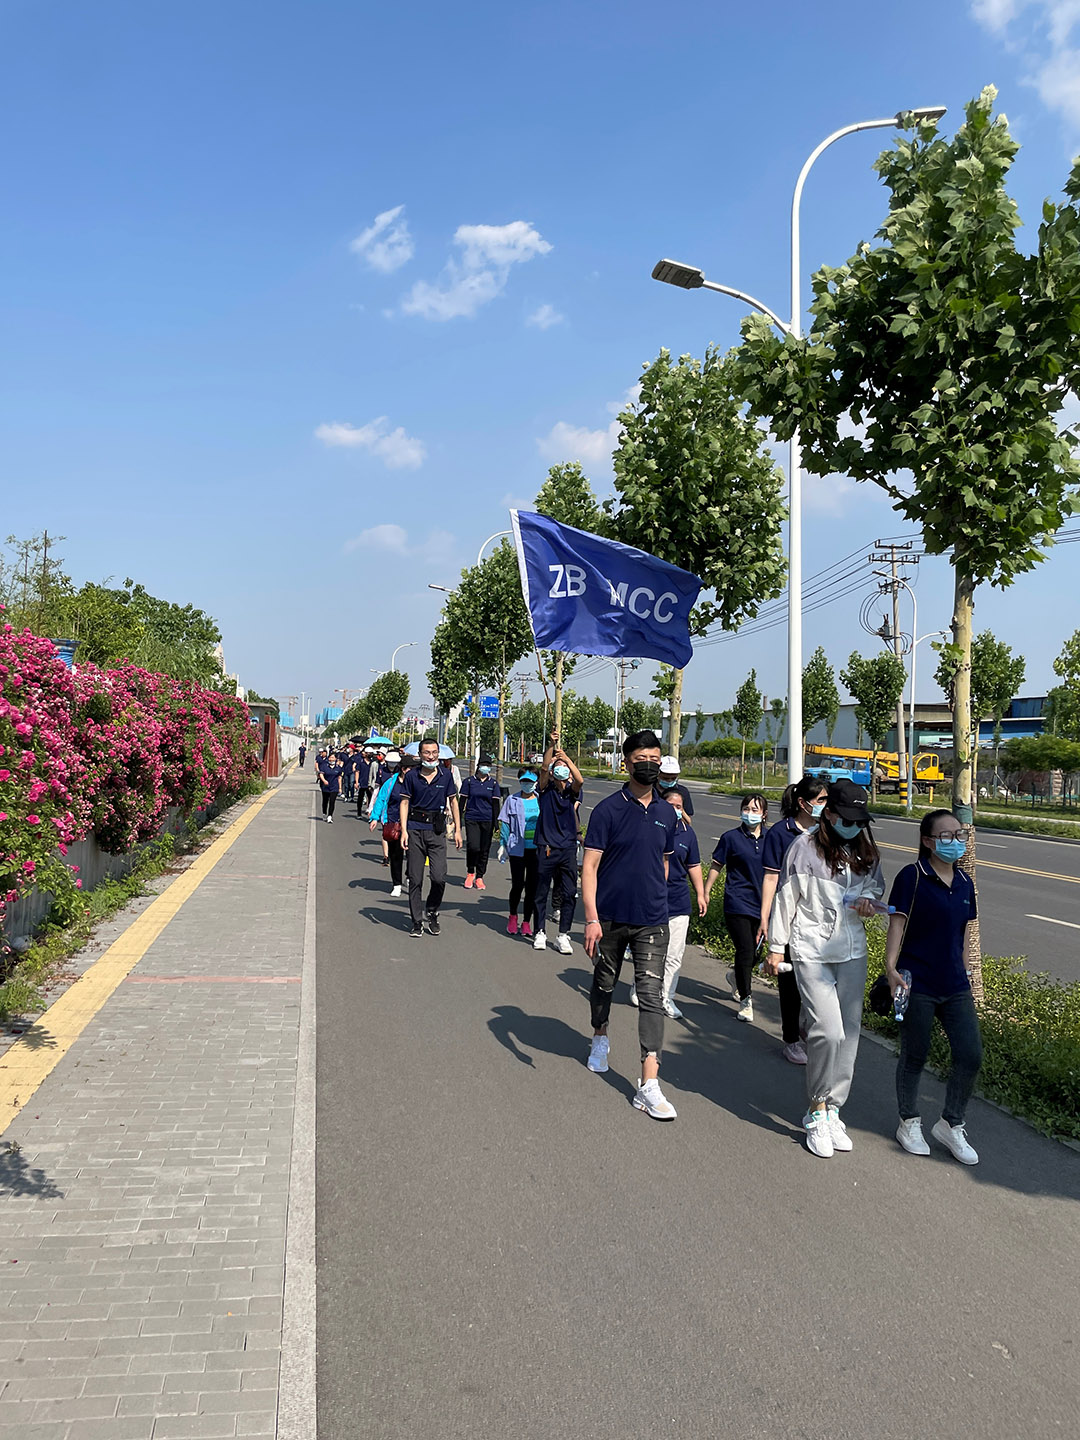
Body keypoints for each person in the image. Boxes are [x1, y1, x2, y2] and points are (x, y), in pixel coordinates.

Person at [766, 779, 885, 1159]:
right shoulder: (803, 848)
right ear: (828, 814)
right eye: (847, 819)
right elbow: (786, 899)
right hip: (811, 950)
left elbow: (876, 887)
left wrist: (868, 901)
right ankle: (816, 1109)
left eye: (859, 820)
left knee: (849, 1034)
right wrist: (775, 947)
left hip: (852, 950)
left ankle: (834, 1109)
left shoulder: (865, 847)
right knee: (828, 1031)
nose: (854, 826)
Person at [581, 729, 680, 1121]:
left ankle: (649, 1083)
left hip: (652, 920)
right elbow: (589, 867)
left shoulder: (667, 813)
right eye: (642, 760)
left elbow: (664, 863)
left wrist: (658, 899)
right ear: (626, 763)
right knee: (604, 983)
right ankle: (600, 1035)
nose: (650, 766)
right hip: (609, 919)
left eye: (656, 759)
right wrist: (591, 918)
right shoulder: (608, 810)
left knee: (652, 996)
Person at [887, 810, 982, 1165]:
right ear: (927, 841)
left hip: (955, 984)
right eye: (946, 836)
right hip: (917, 981)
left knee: (970, 1054)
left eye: (959, 835)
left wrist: (967, 973)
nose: (955, 841)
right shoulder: (912, 877)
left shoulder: (965, 882)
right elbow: (897, 924)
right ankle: (909, 1121)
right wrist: (890, 968)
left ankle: (951, 1123)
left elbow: (964, 933)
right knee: (915, 1054)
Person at [759, 775, 830, 1065]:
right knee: (790, 983)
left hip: (820, 922)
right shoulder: (781, 832)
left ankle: (806, 1026)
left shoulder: (828, 830)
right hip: (790, 919)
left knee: (818, 981)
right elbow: (771, 877)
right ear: (803, 803)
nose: (825, 805)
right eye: (821, 800)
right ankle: (790, 1039)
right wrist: (766, 917)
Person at [704, 794, 769, 1022]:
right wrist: (706, 891)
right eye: (746, 808)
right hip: (737, 902)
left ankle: (736, 976)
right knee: (745, 949)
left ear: (764, 814)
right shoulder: (730, 838)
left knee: (756, 953)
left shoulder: (771, 839)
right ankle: (746, 998)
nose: (749, 813)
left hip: (763, 904)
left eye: (755, 809)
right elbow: (717, 865)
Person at [399, 737, 462, 937]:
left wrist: (458, 830)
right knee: (415, 879)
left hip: (437, 831)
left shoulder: (445, 775)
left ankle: (432, 911)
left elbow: (453, 802)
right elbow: (404, 803)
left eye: (434, 752)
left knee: (439, 877)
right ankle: (417, 921)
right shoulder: (412, 776)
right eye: (427, 752)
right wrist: (404, 831)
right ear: (420, 754)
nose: (431, 756)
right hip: (415, 830)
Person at [532, 733, 584, 954]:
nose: (561, 769)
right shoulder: (545, 789)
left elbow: (580, 780)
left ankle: (563, 934)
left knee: (569, 892)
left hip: (568, 848)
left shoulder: (572, 792)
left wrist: (567, 759)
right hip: (547, 846)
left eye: (564, 767)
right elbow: (544, 768)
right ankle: (540, 931)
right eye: (558, 766)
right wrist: (552, 747)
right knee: (541, 891)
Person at [499, 768, 541, 937]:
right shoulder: (512, 800)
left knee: (532, 887)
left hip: (536, 850)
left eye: (530, 782)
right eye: (524, 781)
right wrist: (503, 844)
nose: (527, 784)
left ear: (536, 782)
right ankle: (513, 917)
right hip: (517, 848)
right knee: (517, 885)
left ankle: (526, 922)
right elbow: (506, 823)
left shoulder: (541, 800)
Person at [369, 751, 410, 896]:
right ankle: (397, 884)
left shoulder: (417, 783)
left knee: (413, 855)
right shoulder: (391, 782)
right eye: (410, 768)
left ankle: (409, 875)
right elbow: (381, 799)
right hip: (393, 823)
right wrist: (375, 817)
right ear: (403, 769)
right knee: (396, 855)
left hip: (412, 824)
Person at [459, 755, 501, 889]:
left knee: (484, 849)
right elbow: (462, 802)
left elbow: (496, 804)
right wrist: (458, 820)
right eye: (483, 765)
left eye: (488, 765)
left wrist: (496, 823)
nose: (486, 767)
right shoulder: (469, 782)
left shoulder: (493, 784)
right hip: (472, 818)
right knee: (473, 846)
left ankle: (480, 876)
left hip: (487, 819)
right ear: (478, 766)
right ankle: (470, 872)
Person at [318, 749, 344, 822]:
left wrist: (340, 788)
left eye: (333, 757)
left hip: (334, 787)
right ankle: (324, 813)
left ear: (335, 759)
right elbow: (321, 774)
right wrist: (324, 781)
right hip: (326, 787)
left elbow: (339, 778)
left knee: (332, 801)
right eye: (330, 757)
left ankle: (330, 816)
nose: (331, 759)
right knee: (325, 801)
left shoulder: (338, 768)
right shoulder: (324, 766)